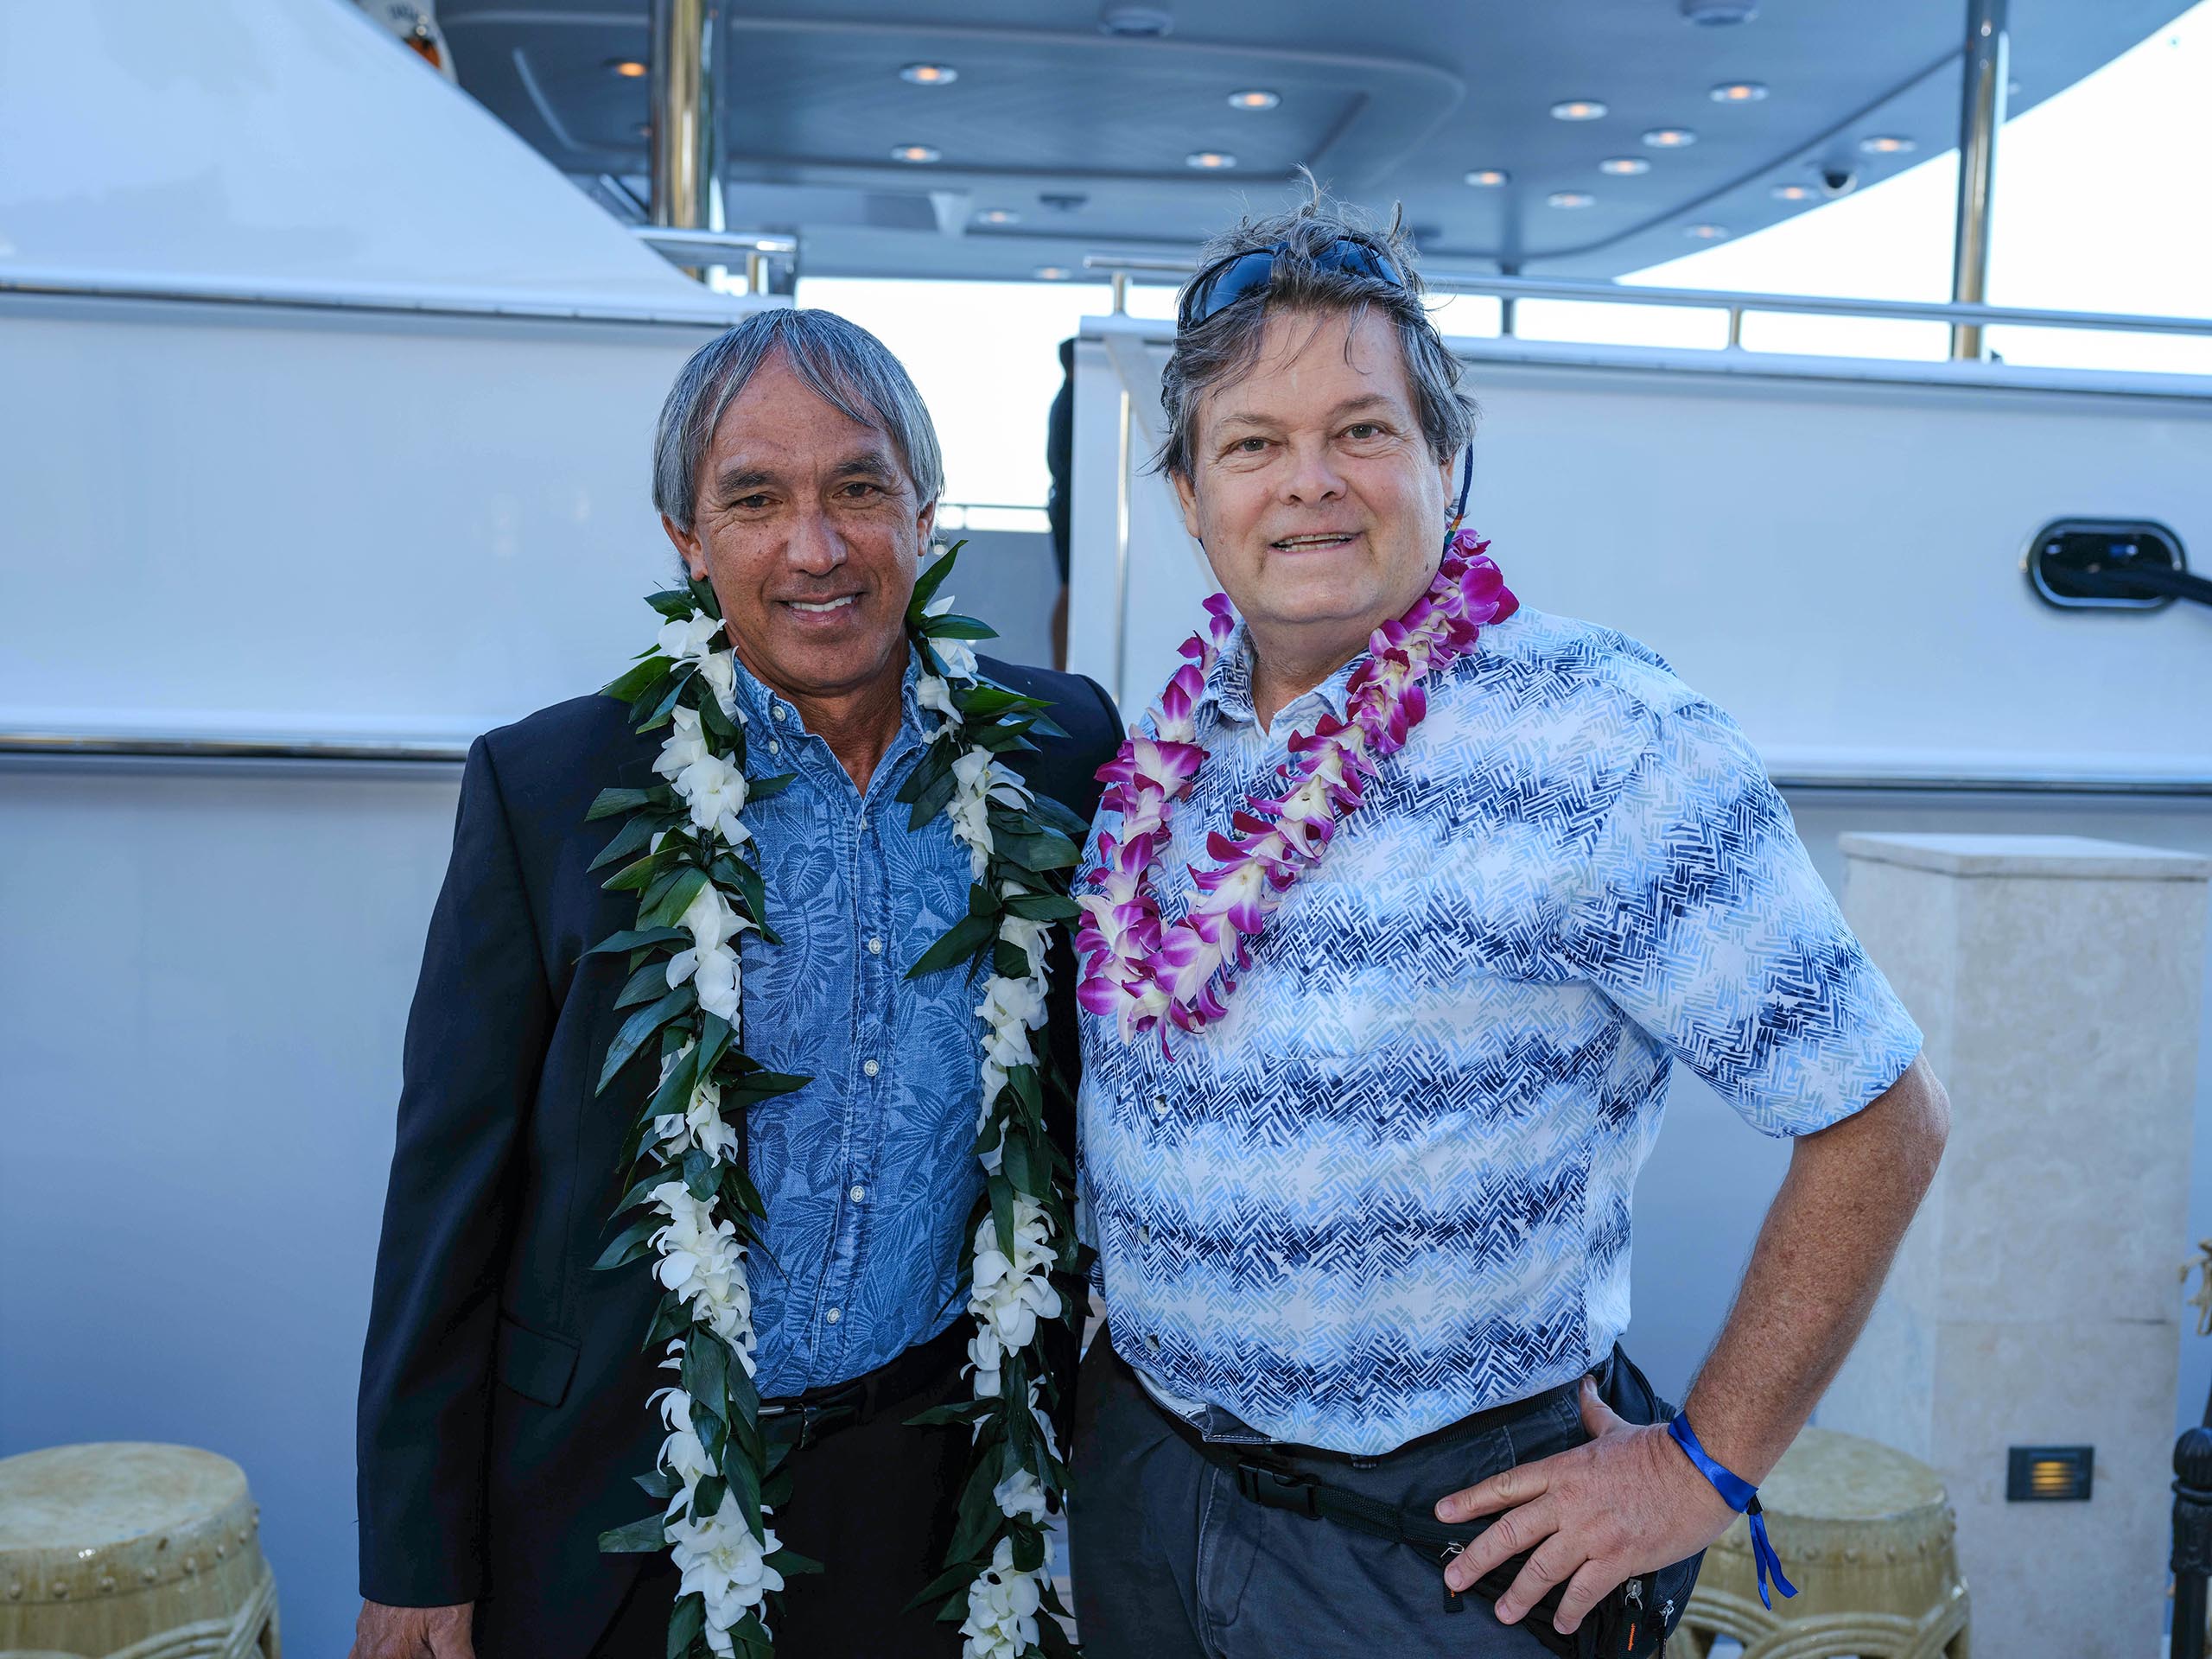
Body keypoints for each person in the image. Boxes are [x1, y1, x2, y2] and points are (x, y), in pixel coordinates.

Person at [1065, 187, 1950, 1657]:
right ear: (1187, 497)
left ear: (1447, 461)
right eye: (1253, 446)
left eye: (1362, 430)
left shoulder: (1607, 742)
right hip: (1152, 1485)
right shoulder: (1173, 755)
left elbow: (1882, 1115)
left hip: (1440, 1559)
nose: (1311, 484)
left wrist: (1701, 1467)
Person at [351, 308, 1122, 1659]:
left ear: (926, 513)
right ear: (688, 545)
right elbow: (445, 1203)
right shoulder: (554, 791)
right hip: (621, 1502)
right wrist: (419, 1560)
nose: (815, 548)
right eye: (755, 501)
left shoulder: (1061, 752)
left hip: (941, 1503)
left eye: (859, 488)